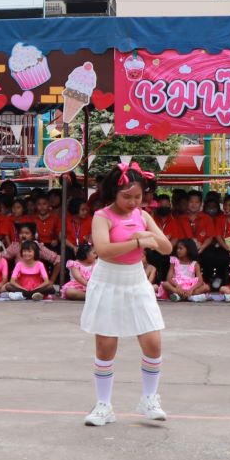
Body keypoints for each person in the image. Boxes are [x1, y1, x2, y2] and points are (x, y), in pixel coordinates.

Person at [79, 162, 171, 427]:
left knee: (153, 341)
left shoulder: (143, 216)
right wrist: (138, 242)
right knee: (106, 346)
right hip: (108, 280)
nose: (133, 202)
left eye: (138, 197)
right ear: (114, 193)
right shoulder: (102, 216)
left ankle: (149, 398)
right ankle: (104, 405)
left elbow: (165, 247)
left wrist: (148, 234)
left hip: (136, 280)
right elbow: (103, 250)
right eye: (127, 197)